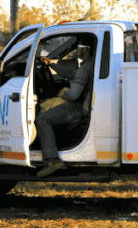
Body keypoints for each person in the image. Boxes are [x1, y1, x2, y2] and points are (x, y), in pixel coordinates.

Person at [35, 44, 94, 178]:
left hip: (76, 107)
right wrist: (51, 64)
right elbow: (72, 74)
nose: (76, 51)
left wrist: (61, 94)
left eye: (79, 48)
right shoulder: (88, 66)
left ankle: (52, 160)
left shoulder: (86, 67)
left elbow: (73, 95)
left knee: (42, 119)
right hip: (79, 105)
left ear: (86, 50)